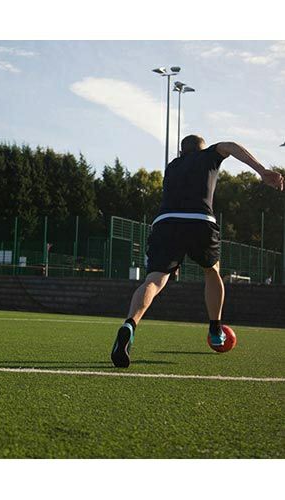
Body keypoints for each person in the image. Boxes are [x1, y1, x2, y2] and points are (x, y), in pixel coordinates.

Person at [111, 136, 284, 368]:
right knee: (212, 271)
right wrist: (262, 171)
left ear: (181, 152)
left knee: (154, 280)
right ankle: (215, 329)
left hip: (165, 222)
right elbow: (231, 146)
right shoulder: (208, 156)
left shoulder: (172, 167)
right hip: (200, 221)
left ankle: (130, 324)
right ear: (203, 149)